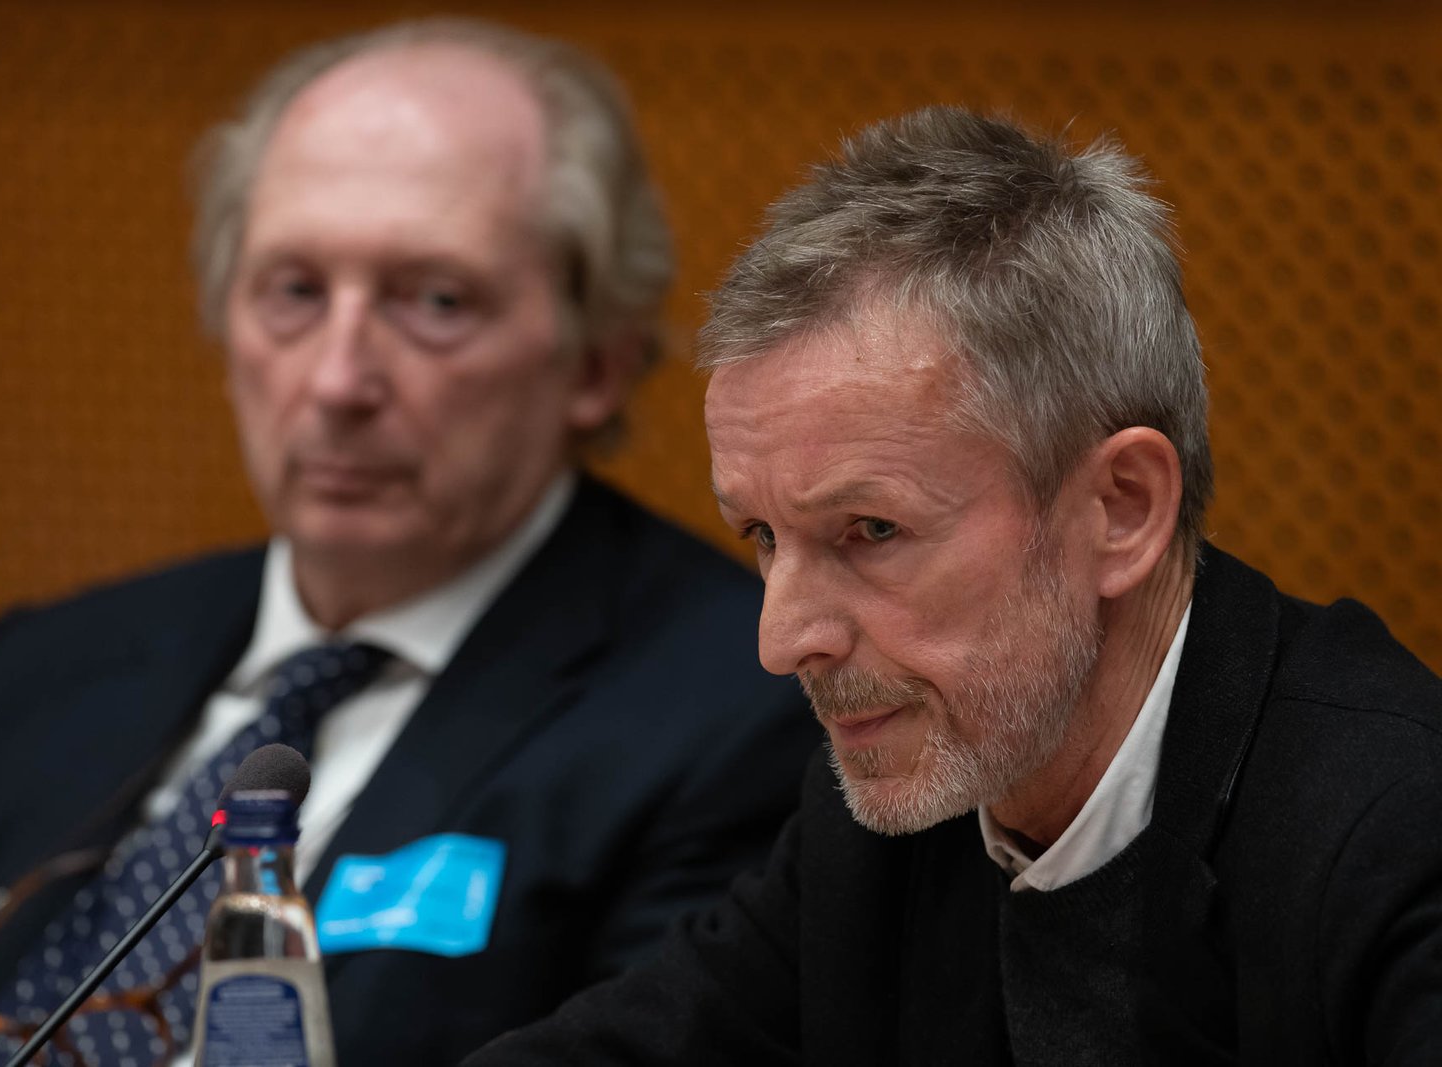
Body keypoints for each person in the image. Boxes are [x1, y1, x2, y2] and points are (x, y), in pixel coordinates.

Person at [0, 19, 815, 1067]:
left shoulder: (740, 715)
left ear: (597, 361)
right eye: (295, 291)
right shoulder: (33, 673)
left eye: (436, 301)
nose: (338, 380)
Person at [462, 106, 1442, 1065]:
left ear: (1122, 508)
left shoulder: (1396, 831)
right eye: (763, 535)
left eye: (871, 530)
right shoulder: (887, 820)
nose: (783, 640)